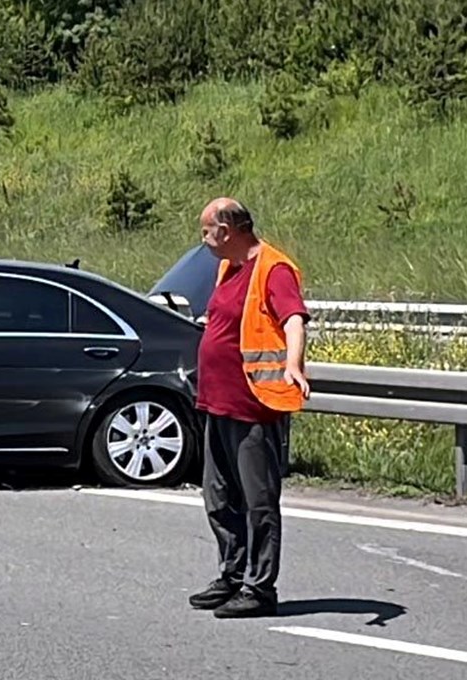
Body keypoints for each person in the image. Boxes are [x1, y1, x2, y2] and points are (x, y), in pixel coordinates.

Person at [188, 197, 310, 619]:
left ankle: (259, 588)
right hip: (217, 403)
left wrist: (293, 364)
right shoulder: (230, 267)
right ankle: (231, 574)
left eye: (206, 231)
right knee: (218, 498)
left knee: (258, 501)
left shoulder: (273, 268)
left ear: (228, 230)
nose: (203, 240)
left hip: (253, 403)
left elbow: (293, 318)